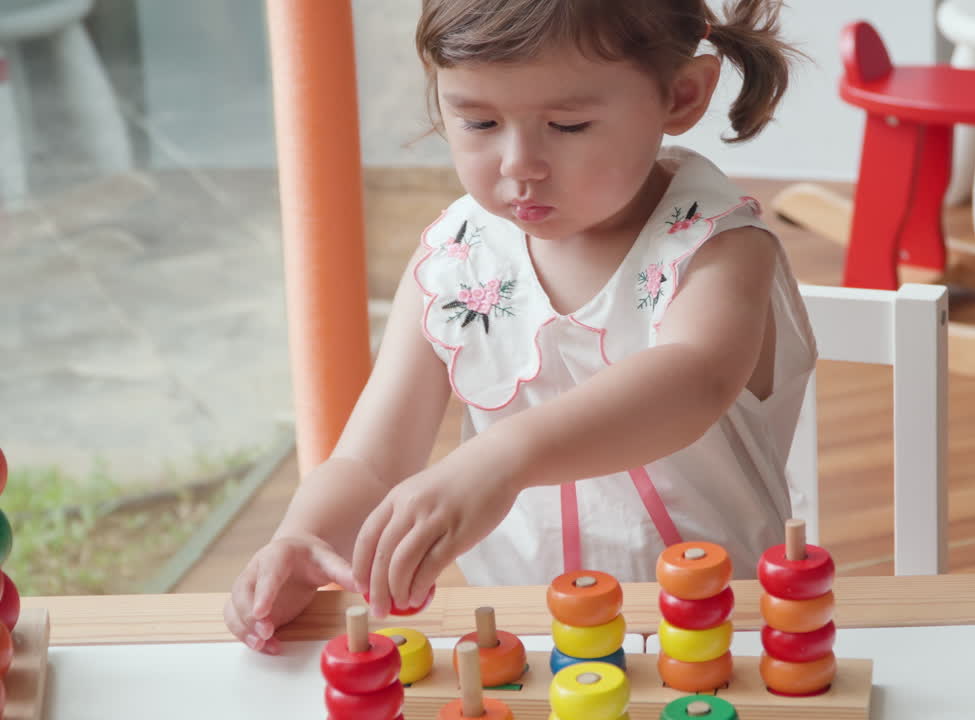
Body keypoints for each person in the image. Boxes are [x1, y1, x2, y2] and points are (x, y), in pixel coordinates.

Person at [224, 0, 816, 655]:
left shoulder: (717, 246)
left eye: (567, 125)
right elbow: (370, 462)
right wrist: (303, 539)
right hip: (521, 637)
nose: (519, 165)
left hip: (716, 632)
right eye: (477, 119)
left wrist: (502, 460)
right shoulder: (456, 261)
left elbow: (693, 379)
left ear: (680, 95)